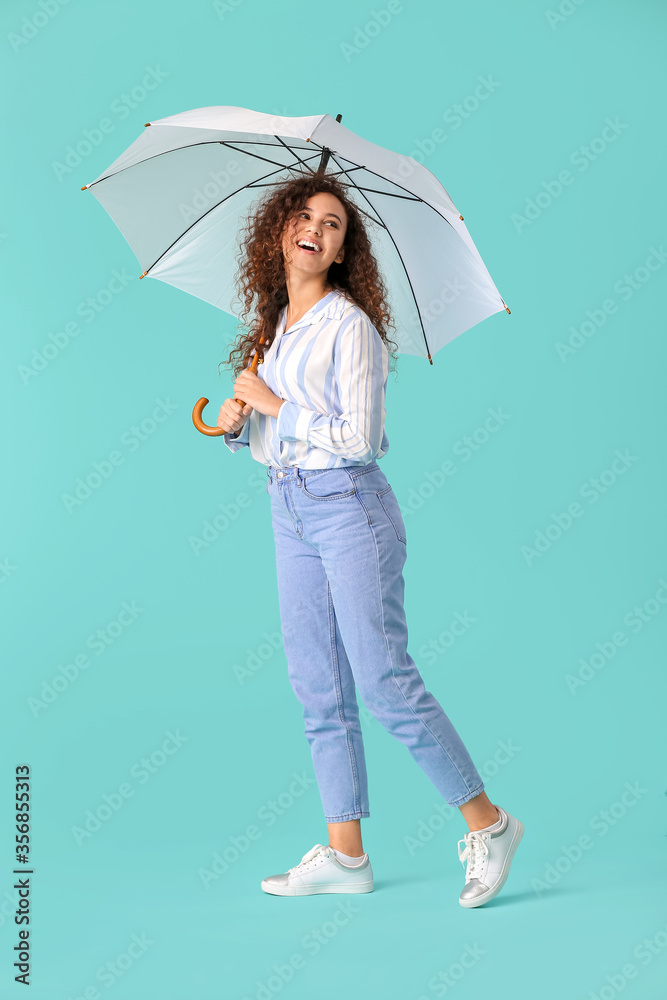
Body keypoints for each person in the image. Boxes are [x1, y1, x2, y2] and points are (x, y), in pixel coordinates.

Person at [216, 173, 523, 907]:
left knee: (383, 680)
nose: (315, 229)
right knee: (315, 684)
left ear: (341, 251)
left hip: (348, 510)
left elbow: (360, 438)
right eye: (303, 216)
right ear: (278, 231)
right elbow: (275, 431)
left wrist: (275, 404)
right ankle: (346, 857)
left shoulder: (349, 325)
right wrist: (236, 423)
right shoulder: (276, 326)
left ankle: (491, 823)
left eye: (333, 225)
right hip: (287, 507)